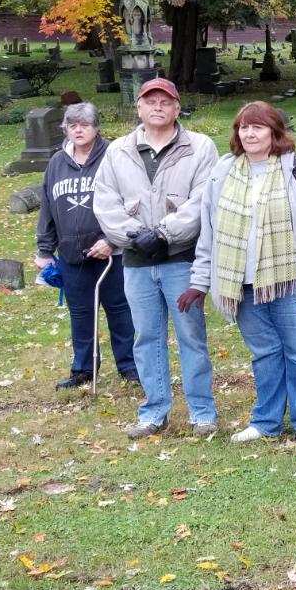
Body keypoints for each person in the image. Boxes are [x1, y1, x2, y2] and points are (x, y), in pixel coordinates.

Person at [185, 102, 296, 444]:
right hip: (241, 285)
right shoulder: (223, 172)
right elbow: (210, 232)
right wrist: (200, 282)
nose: (249, 133)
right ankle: (266, 422)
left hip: (289, 281)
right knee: (264, 355)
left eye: (257, 127)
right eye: (243, 127)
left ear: (274, 132)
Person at [93, 77, 220, 438]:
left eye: (166, 101)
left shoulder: (200, 148)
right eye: (151, 101)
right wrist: (134, 235)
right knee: (146, 338)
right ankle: (154, 411)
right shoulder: (118, 152)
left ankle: (202, 412)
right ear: (139, 108)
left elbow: (202, 201)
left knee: (191, 336)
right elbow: (105, 202)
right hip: (136, 264)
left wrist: (164, 233)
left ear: (177, 108)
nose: (158, 107)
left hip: (181, 261)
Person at [34, 103, 138, 390]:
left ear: (96, 128)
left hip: (111, 254)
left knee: (120, 310)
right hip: (71, 255)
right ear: (65, 129)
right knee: (80, 314)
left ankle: (130, 366)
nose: (78, 130)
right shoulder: (57, 163)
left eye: (85, 124)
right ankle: (83, 369)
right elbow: (48, 207)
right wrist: (45, 250)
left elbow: (131, 202)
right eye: (72, 125)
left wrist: (112, 240)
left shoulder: (114, 156)